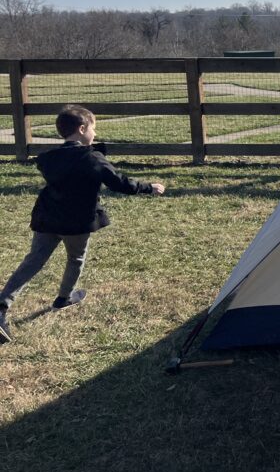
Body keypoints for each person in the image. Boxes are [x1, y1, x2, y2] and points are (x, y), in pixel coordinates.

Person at [0, 105, 166, 345]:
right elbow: (120, 183)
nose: (95, 135)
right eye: (93, 129)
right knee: (75, 259)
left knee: (33, 261)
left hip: (47, 217)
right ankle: (64, 298)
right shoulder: (91, 158)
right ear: (81, 129)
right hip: (76, 221)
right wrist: (150, 187)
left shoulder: (49, 159)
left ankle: (3, 303)